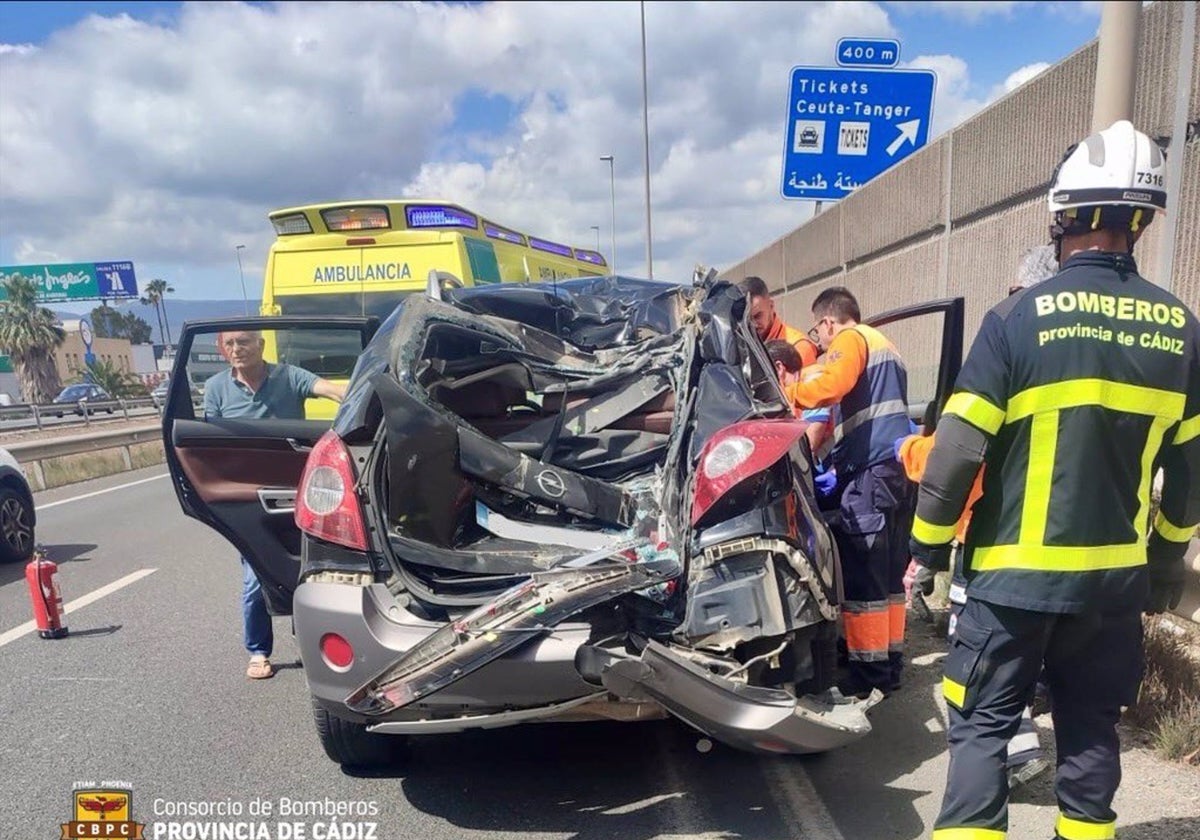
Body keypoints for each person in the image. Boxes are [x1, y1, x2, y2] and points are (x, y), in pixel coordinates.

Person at [909, 121, 1200, 840]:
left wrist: (930, 549)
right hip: (1112, 586)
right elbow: (1191, 475)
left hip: (1012, 584)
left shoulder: (1016, 318)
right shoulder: (1182, 330)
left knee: (981, 726)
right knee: (1091, 730)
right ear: (1143, 217)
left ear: (1061, 214)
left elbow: (955, 454)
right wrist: (1164, 562)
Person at [896, 244, 1059, 793]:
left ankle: (1012, 753)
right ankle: (1022, 744)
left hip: (997, 544)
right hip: (1088, 558)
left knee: (983, 665)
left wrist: (907, 454)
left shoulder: (1012, 341)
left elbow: (955, 452)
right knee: (1027, 666)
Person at [782, 287, 916, 697]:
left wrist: (789, 391)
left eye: (818, 334)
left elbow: (832, 384)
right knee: (890, 578)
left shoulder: (851, 339)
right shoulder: (885, 345)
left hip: (870, 474)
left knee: (864, 577)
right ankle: (889, 664)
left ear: (827, 322)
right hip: (894, 471)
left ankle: (868, 676)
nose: (820, 344)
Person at [203, 329, 347, 679]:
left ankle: (310, 643)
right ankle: (258, 651)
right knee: (256, 574)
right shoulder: (216, 388)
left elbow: (329, 390)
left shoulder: (288, 376)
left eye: (244, 342)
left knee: (311, 569)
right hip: (248, 492)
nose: (237, 349)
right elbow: (206, 439)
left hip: (300, 488)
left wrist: (364, 400)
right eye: (230, 344)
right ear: (224, 349)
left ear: (260, 345)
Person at [765, 338, 833, 467]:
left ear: (779, 368)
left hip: (834, 467)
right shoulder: (795, 390)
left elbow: (809, 444)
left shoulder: (813, 381)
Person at [740, 275, 821, 367]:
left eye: (757, 316)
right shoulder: (741, 347)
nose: (753, 324)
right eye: (746, 319)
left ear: (771, 306)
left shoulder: (798, 348)